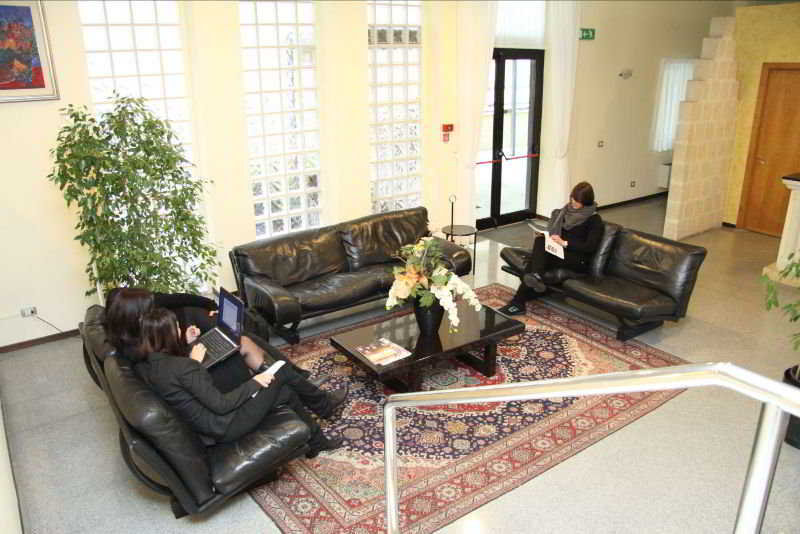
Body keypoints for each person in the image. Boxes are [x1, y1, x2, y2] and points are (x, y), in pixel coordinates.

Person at [104, 287, 346, 415]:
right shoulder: (137, 355)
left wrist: (186, 342)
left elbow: (168, 361)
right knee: (242, 345)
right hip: (199, 382)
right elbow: (173, 374)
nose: (158, 311)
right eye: (152, 310)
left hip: (189, 366)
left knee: (241, 339)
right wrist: (193, 358)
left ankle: (298, 383)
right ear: (137, 318)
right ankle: (305, 390)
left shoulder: (135, 339)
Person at [135, 308, 341, 456]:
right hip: (225, 425)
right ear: (169, 335)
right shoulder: (183, 367)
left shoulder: (152, 366)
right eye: (176, 327)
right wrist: (256, 381)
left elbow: (183, 382)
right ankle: (324, 406)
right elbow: (222, 405)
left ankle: (316, 442)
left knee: (285, 392)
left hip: (209, 425)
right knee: (281, 374)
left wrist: (189, 346)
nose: (180, 328)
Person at [499, 181, 604, 315]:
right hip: (561, 251)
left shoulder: (594, 220)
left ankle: (520, 299)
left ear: (586, 202)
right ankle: (532, 282)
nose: (572, 202)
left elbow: (589, 247)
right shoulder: (566, 211)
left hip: (579, 259)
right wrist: (549, 237)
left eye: (577, 201)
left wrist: (564, 243)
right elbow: (557, 233)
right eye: (572, 198)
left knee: (535, 260)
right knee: (541, 240)